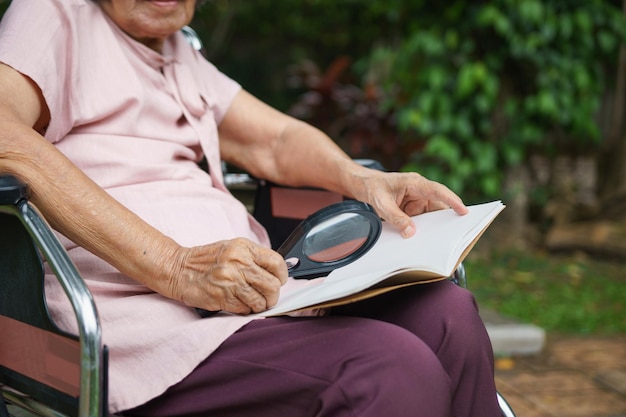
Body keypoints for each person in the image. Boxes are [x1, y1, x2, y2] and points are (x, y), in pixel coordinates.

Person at [0, 0, 502, 416]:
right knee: (388, 367)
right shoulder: (56, 14)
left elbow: (275, 141)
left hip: (252, 295)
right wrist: (176, 266)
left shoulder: (176, 51)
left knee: (448, 315)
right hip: (139, 321)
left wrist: (364, 180)